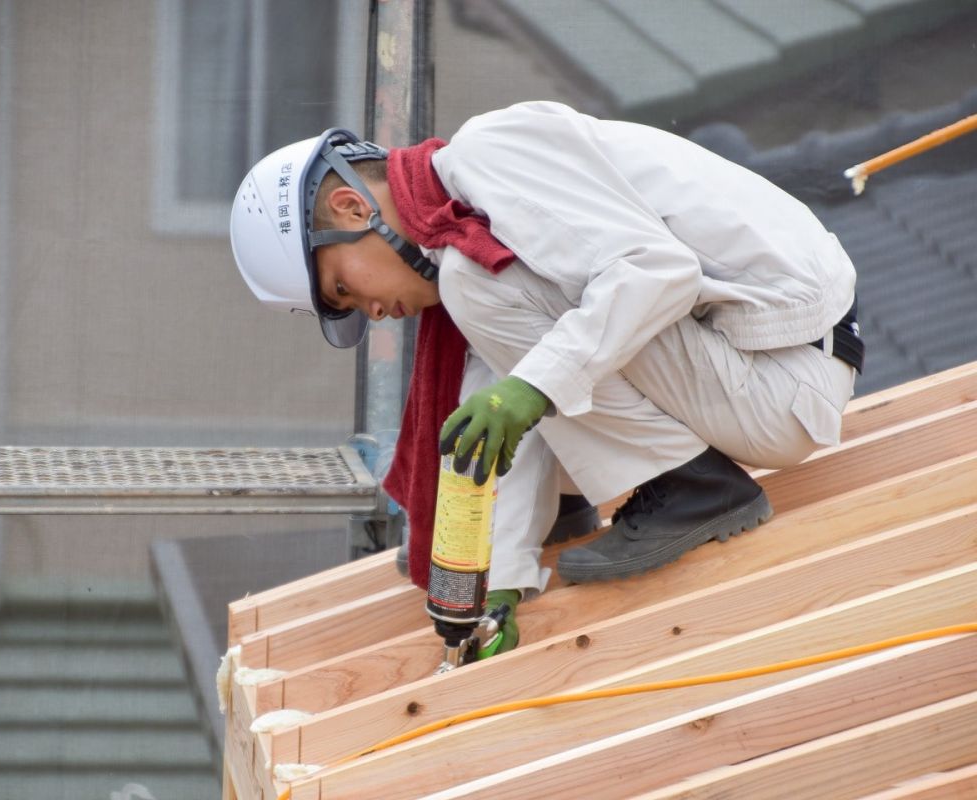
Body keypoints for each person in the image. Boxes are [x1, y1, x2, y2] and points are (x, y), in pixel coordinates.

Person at [228, 101, 862, 655]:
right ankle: (575, 501)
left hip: (783, 375)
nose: (370, 310)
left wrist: (532, 390)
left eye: (343, 286)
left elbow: (657, 271)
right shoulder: (470, 212)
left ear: (350, 206)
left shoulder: (493, 157)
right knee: (502, 329)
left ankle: (691, 487)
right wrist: (494, 581)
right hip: (758, 370)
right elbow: (498, 382)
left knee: (483, 295)